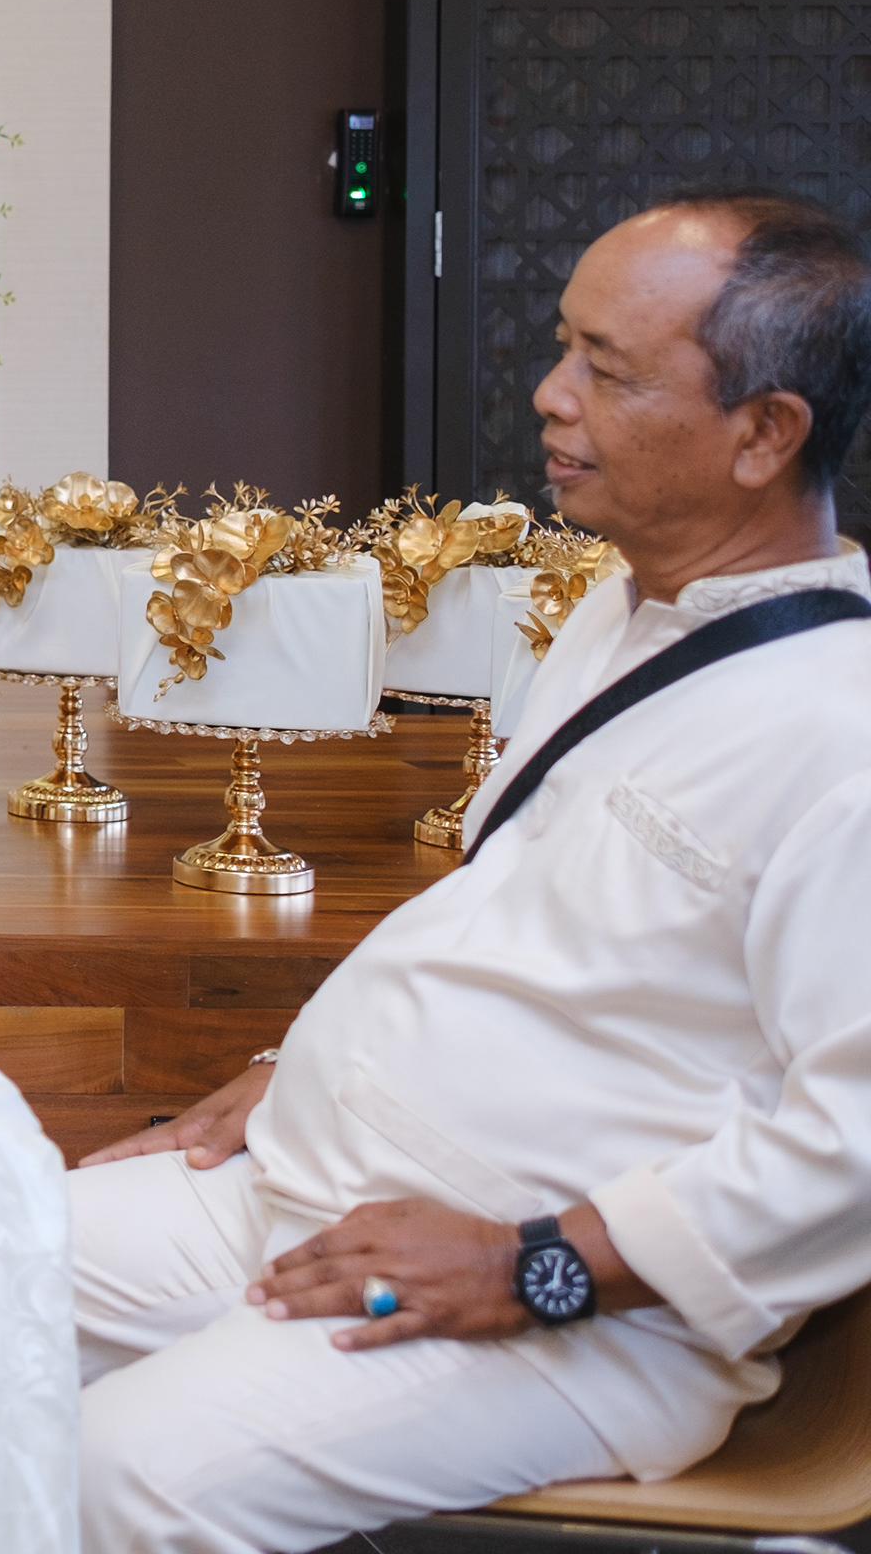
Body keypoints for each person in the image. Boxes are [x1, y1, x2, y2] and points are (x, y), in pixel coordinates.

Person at [70, 189, 871, 1554]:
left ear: (764, 433)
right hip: (312, 1180)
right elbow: (523, 916)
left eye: (608, 370)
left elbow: (851, 1143)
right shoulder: (618, 612)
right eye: (564, 347)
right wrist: (301, 1064)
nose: (552, 396)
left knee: (120, 1474)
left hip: (569, 1308)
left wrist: (532, 1262)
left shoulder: (842, 732)